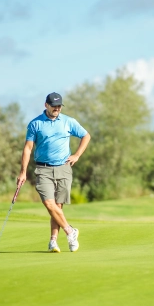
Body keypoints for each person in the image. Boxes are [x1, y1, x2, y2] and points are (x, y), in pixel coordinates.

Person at [17, 92, 91, 253]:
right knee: (49, 204)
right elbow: (28, 148)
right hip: (43, 169)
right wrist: (23, 172)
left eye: (59, 106)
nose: (57, 109)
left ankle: (53, 241)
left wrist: (77, 155)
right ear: (46, 105)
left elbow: (86, 136)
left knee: (57, 206)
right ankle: (71, 232)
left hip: (64, 168)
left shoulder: (68, 121)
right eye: (54, 106)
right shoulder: (35, 124)